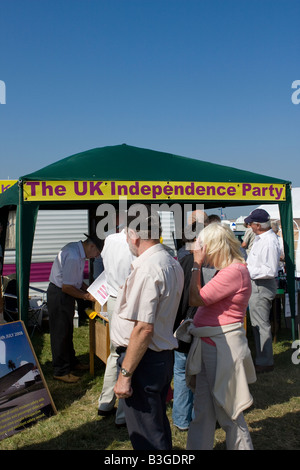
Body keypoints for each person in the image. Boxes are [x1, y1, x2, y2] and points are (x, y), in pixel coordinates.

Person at [176, 222, 256, 450]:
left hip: (220, 348)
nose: (199, 250)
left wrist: (196, 266)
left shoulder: (234, 271)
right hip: (213, 345)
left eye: (203, 246)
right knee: (203, 410)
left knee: (229, 410)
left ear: (214, 246)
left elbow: (196, 299)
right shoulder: (233, 270)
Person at [111, 205, 184, 450]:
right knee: (155, 423)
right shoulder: (171, 262)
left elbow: (143, 328)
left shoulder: (148, 267)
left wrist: (125, 375)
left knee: (147, 433)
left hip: (144, 359)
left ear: (135, 236)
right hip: (159, 356)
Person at [47, 233, 101, 383]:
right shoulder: (73, 256)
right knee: (60, 332)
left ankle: (71, 362)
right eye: (97, 252)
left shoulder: (77, 252)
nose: (96, 256)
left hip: (64, 294)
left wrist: (88, 289)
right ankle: (61, 370)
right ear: (91, 246)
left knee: (67, 330)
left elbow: (75, 281)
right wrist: (86, 296)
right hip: (60, 295)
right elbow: (67, 287)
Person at [97, 221, 135, 427]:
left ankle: (105, 402)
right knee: (129, 353)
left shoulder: (110, 240)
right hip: (128, 298)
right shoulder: (133, 242)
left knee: (115, 352)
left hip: (112, 298)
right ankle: (122, 414)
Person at [245, 209, 281, 373]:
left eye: (251, 223)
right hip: (258, 283)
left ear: (258, 225)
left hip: (261, 284)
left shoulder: (268, 241)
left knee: (260, 324)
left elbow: (269, 269)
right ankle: (262, 358)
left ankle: (265, 361)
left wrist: (247, 271)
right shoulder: (263, 238)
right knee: (257, 322)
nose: (249, 226)